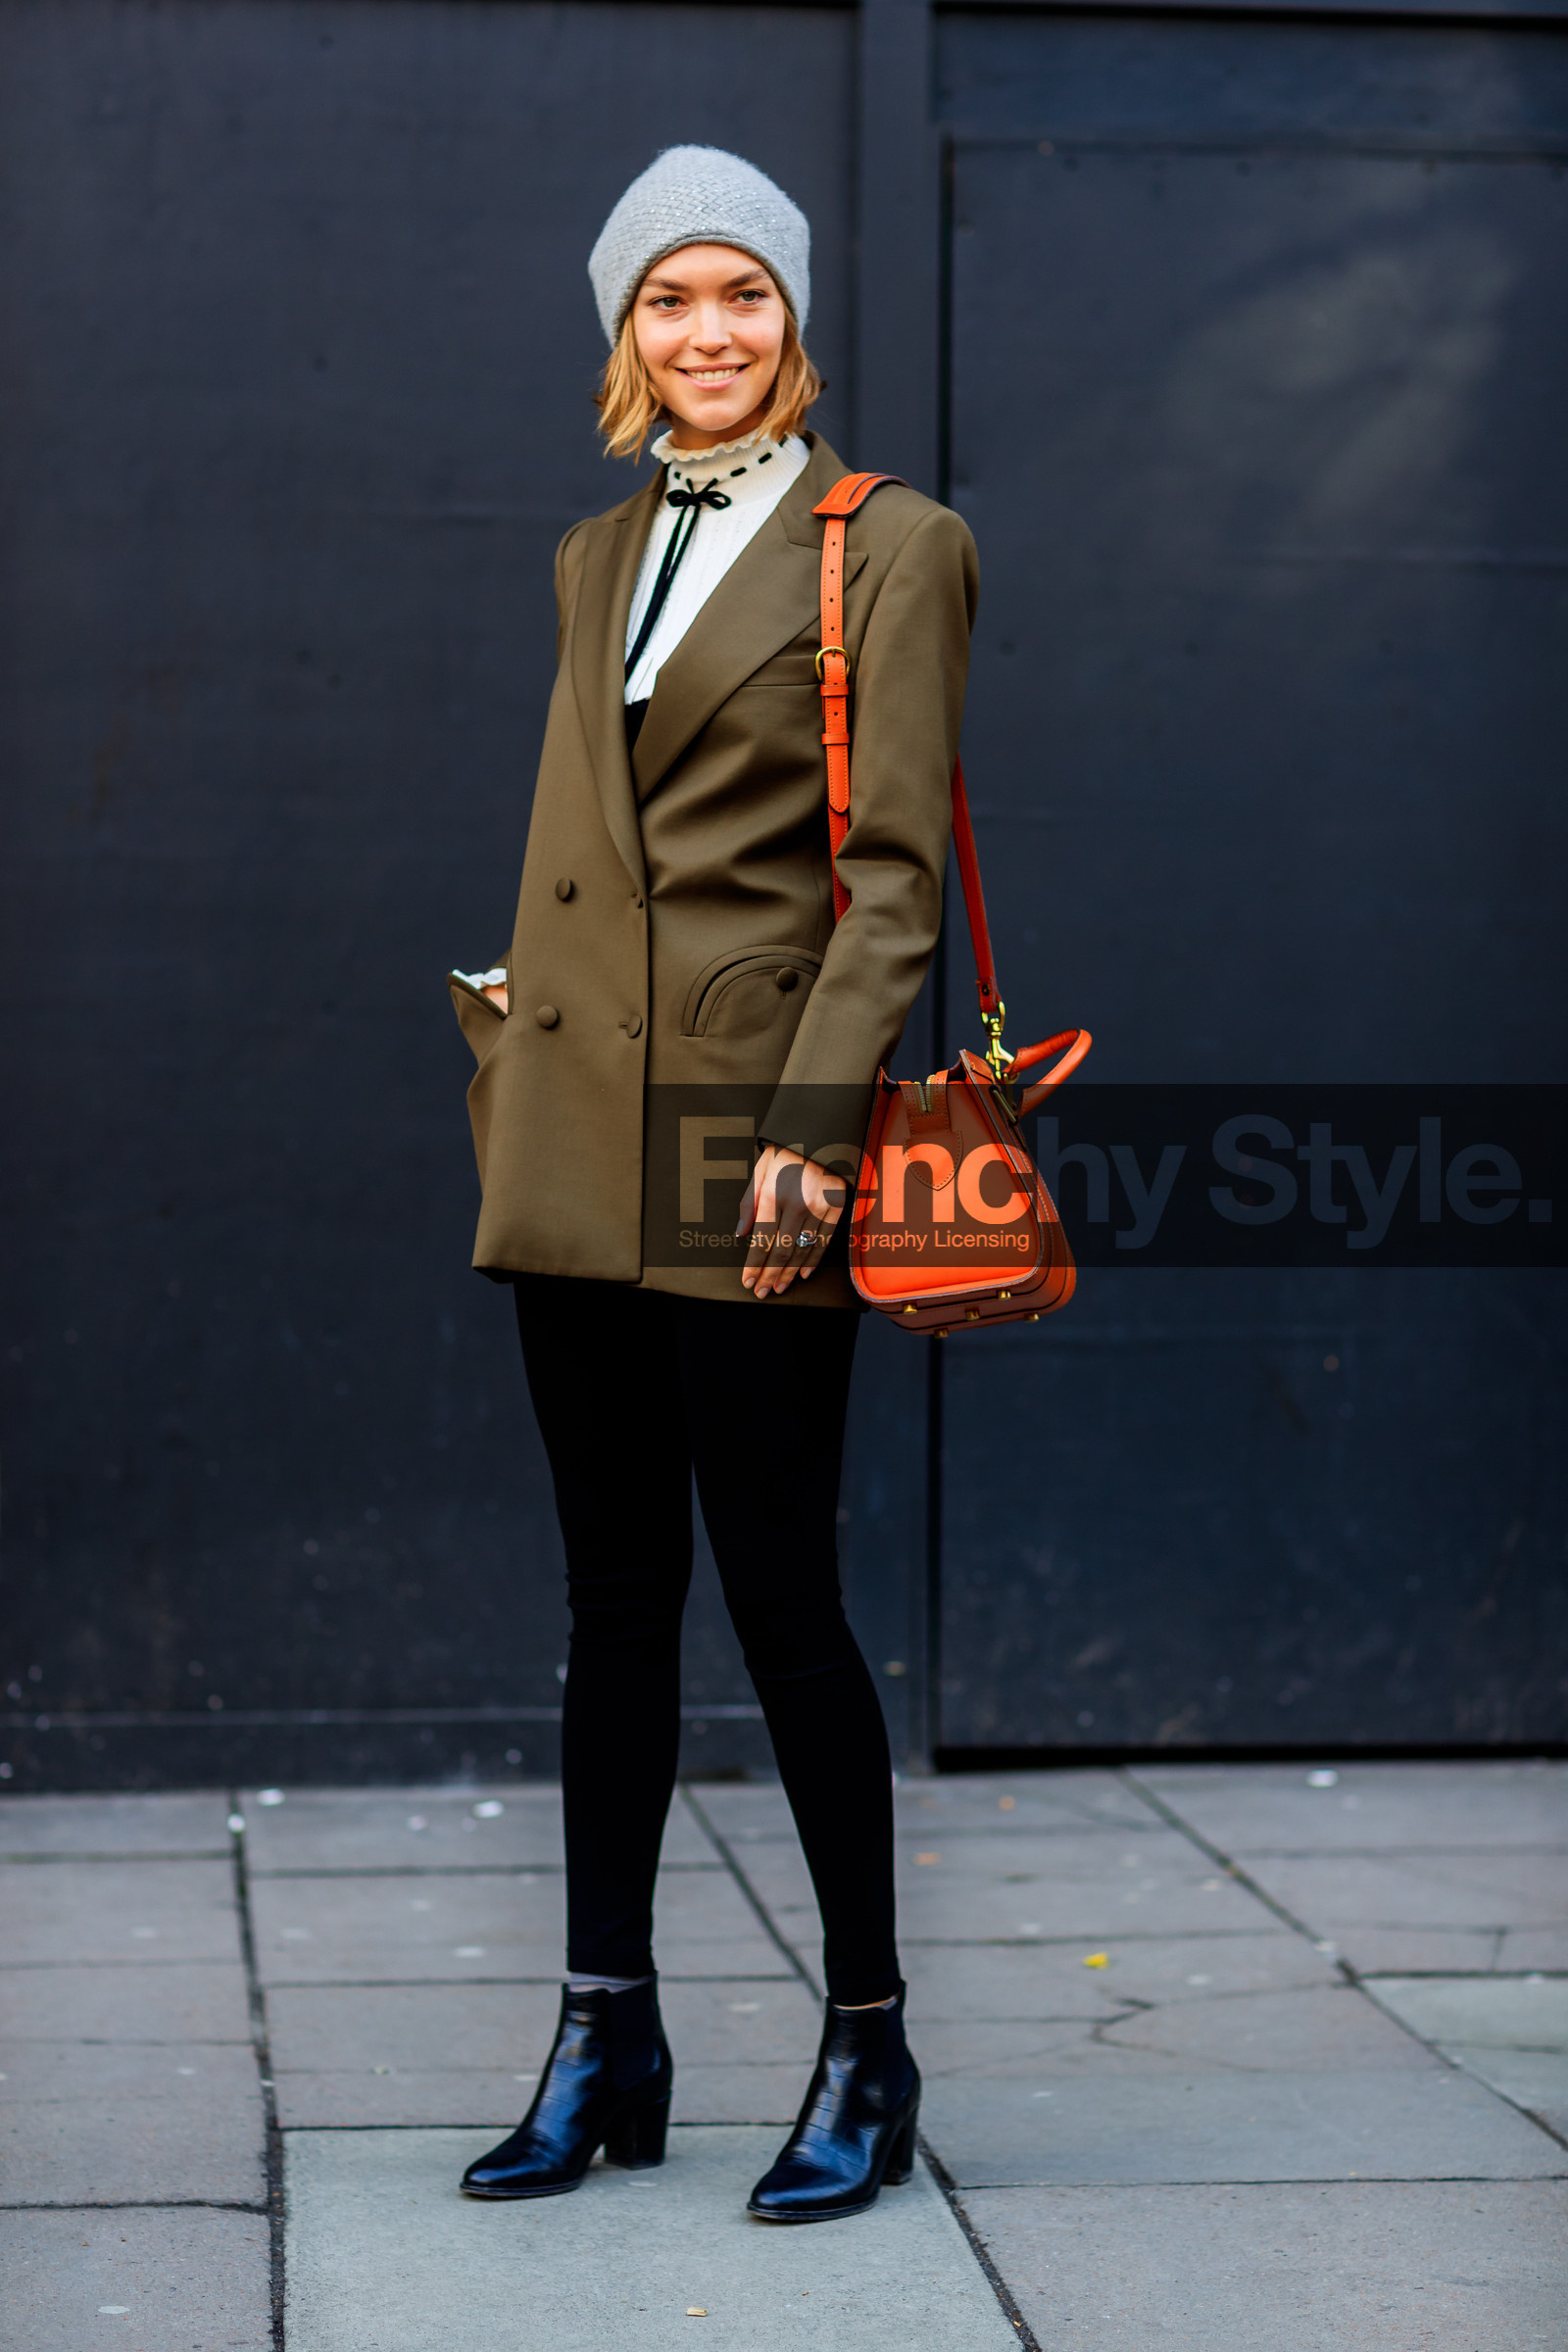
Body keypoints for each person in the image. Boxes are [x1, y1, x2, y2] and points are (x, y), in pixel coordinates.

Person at [450, 146, 977, 2223]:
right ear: (621, 332)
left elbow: (891, 885)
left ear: (791, 319)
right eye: (665, 298)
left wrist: (808, 1140)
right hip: (576, 1130)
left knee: (778, 1601)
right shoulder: (593, 552)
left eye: (738, 295)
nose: (704, 334)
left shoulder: (891, 543)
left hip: (752, 1142)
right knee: (607, 1612)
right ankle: (608, 2033)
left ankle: (868, 2044)